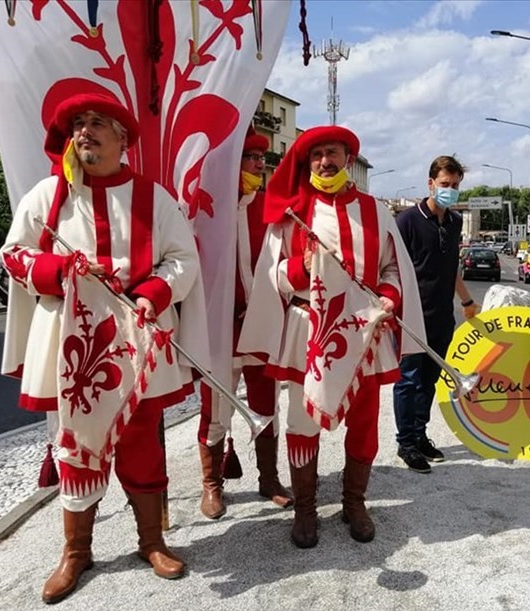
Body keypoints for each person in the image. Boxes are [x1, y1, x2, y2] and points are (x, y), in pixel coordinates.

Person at [0, 93, 207, 603]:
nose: (84, 132)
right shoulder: (46, 195)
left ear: (123, 139)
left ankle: (152, 542)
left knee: (141, 441)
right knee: (76, 445)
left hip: (137, 341)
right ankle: (76, 552)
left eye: (96, 123)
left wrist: (150, 295)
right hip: (70, 344)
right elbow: (13, 254)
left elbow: (182, 259)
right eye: (77, 125)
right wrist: (57, 271)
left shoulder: (154, 198)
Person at [239, 125, 425, 548]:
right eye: (318, 154)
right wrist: (301, 268)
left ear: (348, 160)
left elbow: (392, 269)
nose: (326, 161)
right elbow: (270, 278)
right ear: (308, 162)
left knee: (363, 425)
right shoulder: (291, 212)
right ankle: (305, 507)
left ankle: (354, 502)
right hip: (310, 332)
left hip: (365, 333)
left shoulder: (374, 210)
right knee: (303, 420)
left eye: (334, 153)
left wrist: (391, 296)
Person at [197, 126, 293, 519]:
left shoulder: (271, 207)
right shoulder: (207, 208)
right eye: (251, 158)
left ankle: (268, 479)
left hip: (259, 327)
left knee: (265, 404)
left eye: (261, 160)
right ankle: (211, 484)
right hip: (219, 331)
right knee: (215, 412)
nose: (259, 165)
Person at [392, 156, 479, 473]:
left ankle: (420, 434)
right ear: (430, 183)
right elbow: (392, 268)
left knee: (429, 380)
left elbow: (451, 267)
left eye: (455, 186)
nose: (450, 191)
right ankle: (406, 443)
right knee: (408, 381)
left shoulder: (455, 223)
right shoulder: (407, 222)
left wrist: (467, 301)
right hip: (412, 318)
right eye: (445, 185)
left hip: (443, 317)